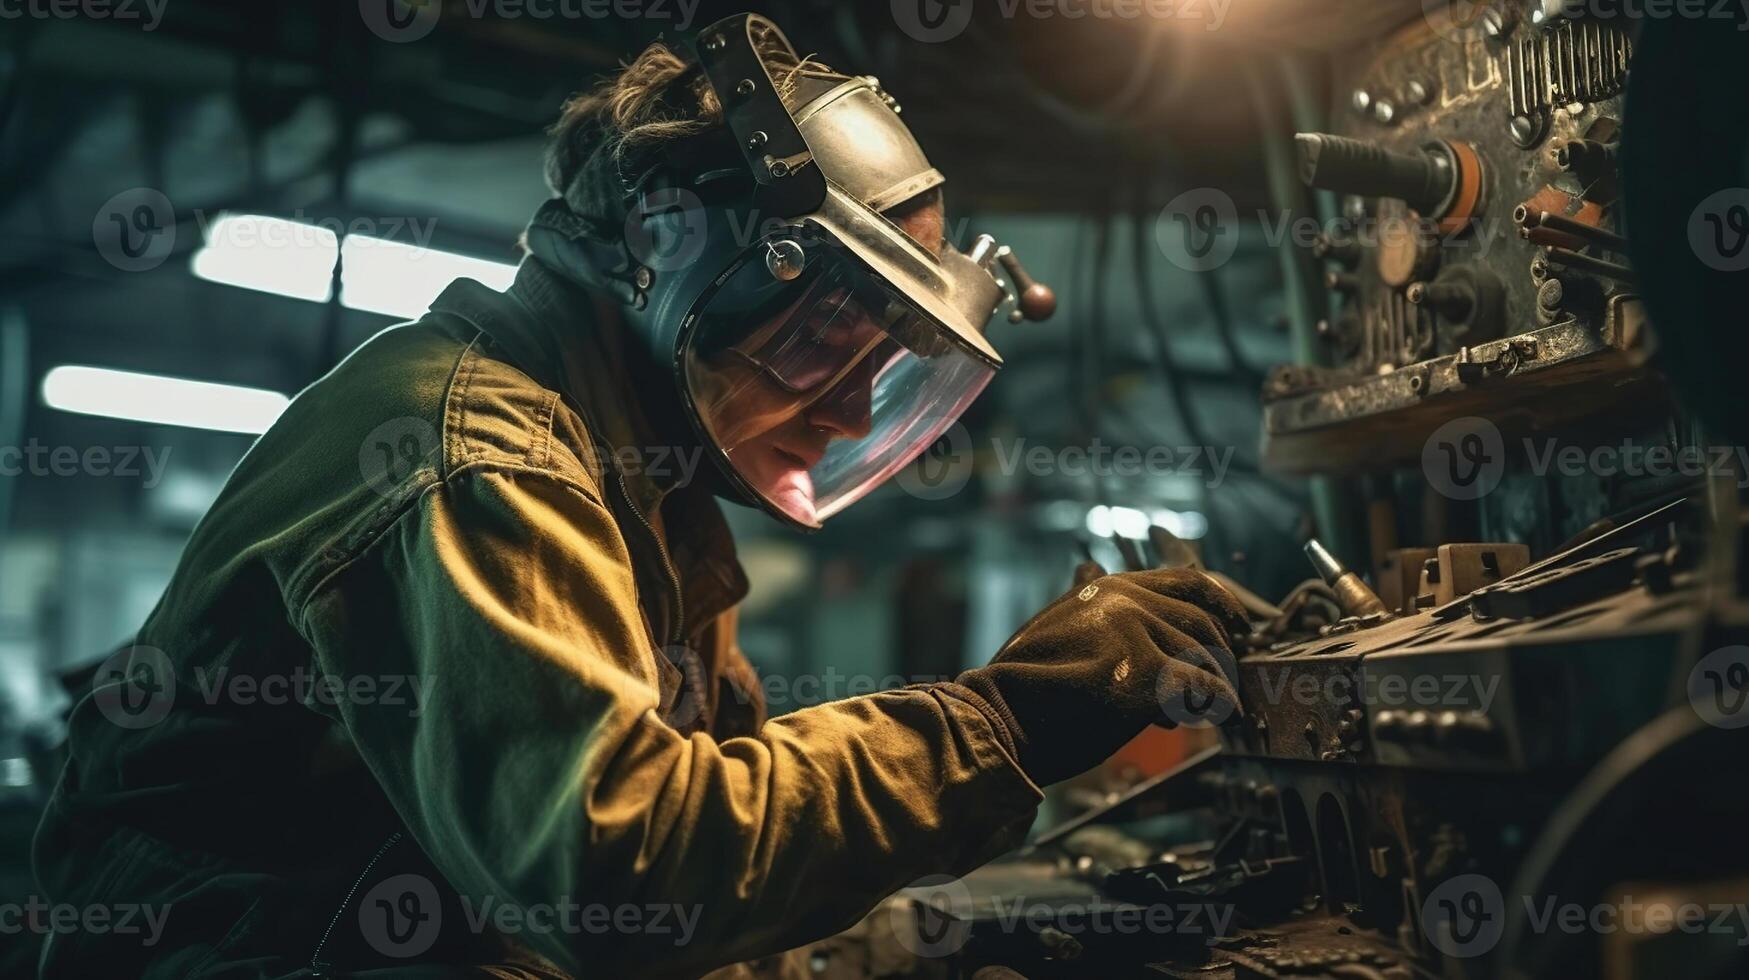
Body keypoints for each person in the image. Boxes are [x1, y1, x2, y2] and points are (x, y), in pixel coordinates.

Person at [32, 15, 1247, 979]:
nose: (842, 411)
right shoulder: (480, 459)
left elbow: (725, 828)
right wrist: (1005, 723)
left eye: (883, 372)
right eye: (827, 341)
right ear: (679, 264)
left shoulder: (648, 486)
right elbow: (619, 872)